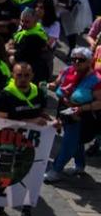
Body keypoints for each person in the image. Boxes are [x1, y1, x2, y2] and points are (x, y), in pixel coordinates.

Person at [0, 61, 51, 216]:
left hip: (31, 145)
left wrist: (51, 123)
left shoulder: (38, 92)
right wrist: (32, 120)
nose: (23, 78)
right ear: (13, 75)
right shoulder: (6, 94)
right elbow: (2, 120)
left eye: (26, 75)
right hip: (9, 142)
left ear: (32, 76)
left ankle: (26, 211)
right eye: (19, 75)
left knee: (30, 177)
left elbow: (41, 113)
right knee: (4, 175)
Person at [44, 47, 101, 183]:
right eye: (73, 59)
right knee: (77, 142)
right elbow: (56, 84)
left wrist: (82, 108)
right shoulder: (67, 71)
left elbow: (100, 102)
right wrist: (48, 86)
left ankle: (56, 170)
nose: (76, 62)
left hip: (82, 117)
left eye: (80, 60)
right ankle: (80, 166)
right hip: (65, 112)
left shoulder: (96, 80)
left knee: (69, 144)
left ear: (89, 61)